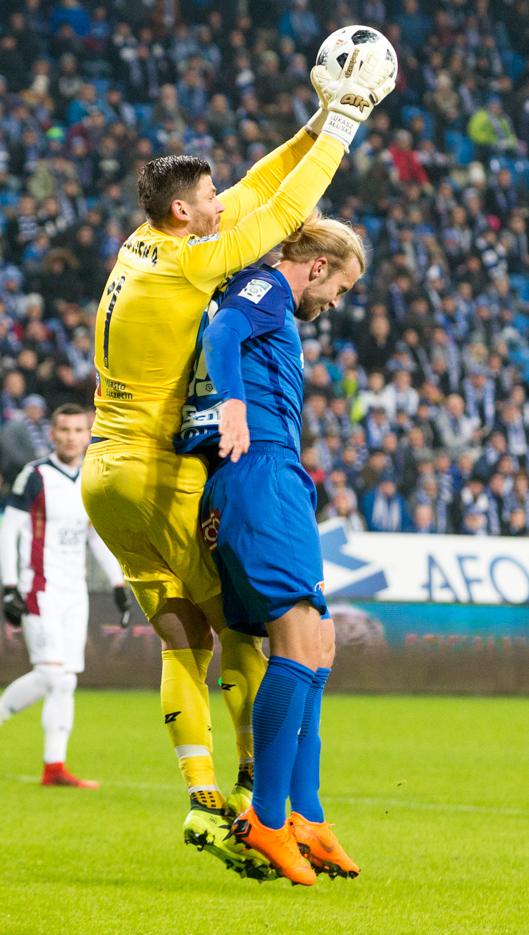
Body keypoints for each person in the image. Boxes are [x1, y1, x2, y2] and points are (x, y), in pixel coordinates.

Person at [80, 42, 393, 874]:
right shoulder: (195, 261)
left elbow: (259, 190)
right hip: (158, 466)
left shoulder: (142, 244)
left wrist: (315, 117)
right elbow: (280, 211)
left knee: (182, 635)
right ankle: (265, 811)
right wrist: (347, 126)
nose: (223, 202)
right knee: (261, 637)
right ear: (186, 212)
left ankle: (202, 795)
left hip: (101, 474)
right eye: (210, 197)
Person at [179, 215, 367, 885]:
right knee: (293, 644)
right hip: (257, 474)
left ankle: (307, 816)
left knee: (318, 645)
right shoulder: (265, 289)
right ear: (316, 265)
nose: (335, 303)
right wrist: (233, 404)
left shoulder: (276, 305)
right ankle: (265, 815)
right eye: (340, 288)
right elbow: (223, 330)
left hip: (278, 477)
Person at [0, 404, 131, 788]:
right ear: (52, 435)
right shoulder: (35, 475)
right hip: (39, 588)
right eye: (64, 429)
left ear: (88, 434)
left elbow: (94, 534)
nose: (72, 436)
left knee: (65, 681)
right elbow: (9, 531)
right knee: (51, 674)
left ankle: (54, 766)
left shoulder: (92, 476)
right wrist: (9, 587)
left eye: (78, 430)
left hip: (76, 592)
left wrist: (118, 584)